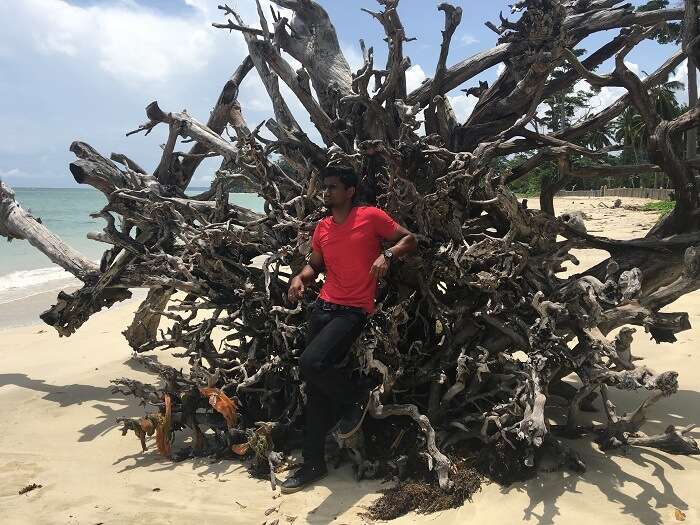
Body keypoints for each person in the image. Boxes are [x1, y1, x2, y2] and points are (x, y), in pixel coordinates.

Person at [280, 165, 417, 494]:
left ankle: (358, 393)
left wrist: (387, 255)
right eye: (324, 187)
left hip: (354, 310)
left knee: (311, 364)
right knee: (313, 386)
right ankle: (313, 462)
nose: (326, 193)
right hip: (324, 306)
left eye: (333, 187)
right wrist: (299, 278)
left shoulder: (370, 217)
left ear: (350, 191)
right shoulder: (323, 227)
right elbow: (315, 264)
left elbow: (409, 239)